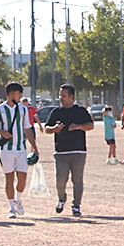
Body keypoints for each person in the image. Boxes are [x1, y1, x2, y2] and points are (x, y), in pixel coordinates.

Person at [0, 83, 39, 218]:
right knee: (9, 178)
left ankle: (18, 200)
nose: (20, 96)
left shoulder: (23, 110)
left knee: (22, 178)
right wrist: (2, 132)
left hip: (21, 149)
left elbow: (27, 129)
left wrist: (34, 146)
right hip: (6, 150)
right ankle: (11, 207)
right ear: (10, 93)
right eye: (18, 93)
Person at [44, 84, 93, 217]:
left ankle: (76, 205)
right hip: (61, 152)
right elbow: (46, 129)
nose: (61, 98)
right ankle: (61, 198)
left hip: (78, 151)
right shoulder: (56, 112)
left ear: (72, 97)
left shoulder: (81, 111)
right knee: (60, 180)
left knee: (77, 180)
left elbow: (90, 125)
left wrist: (78, 126)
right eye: (60, 95)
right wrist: (55, 128)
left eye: (64, 95)